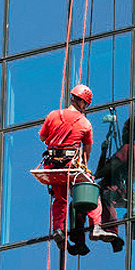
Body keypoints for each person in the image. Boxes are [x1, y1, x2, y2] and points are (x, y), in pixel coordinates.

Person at [39, 84, 122, 255]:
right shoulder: (85, 123)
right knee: (92, 190)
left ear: (72, 97)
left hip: (51, 164)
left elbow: (42, 137)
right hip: (69, 165)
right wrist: (83, 167)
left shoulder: (53, 115)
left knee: (60, 199)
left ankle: (58, 231)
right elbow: (86, 153)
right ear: (84, 103)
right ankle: (96, 226)